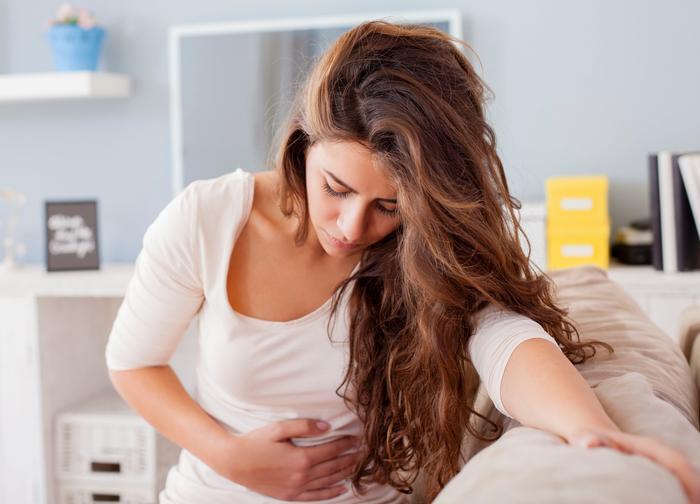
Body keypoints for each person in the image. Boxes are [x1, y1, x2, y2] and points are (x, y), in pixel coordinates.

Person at [105, 20, 700, 503]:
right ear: (304, 143)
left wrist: (591, 431)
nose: (352, 227)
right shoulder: (209, 220)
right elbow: (133, 363)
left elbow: (505, 339)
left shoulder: (426, 250)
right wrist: (230, 456)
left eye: (389, 206)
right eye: (335, 188)